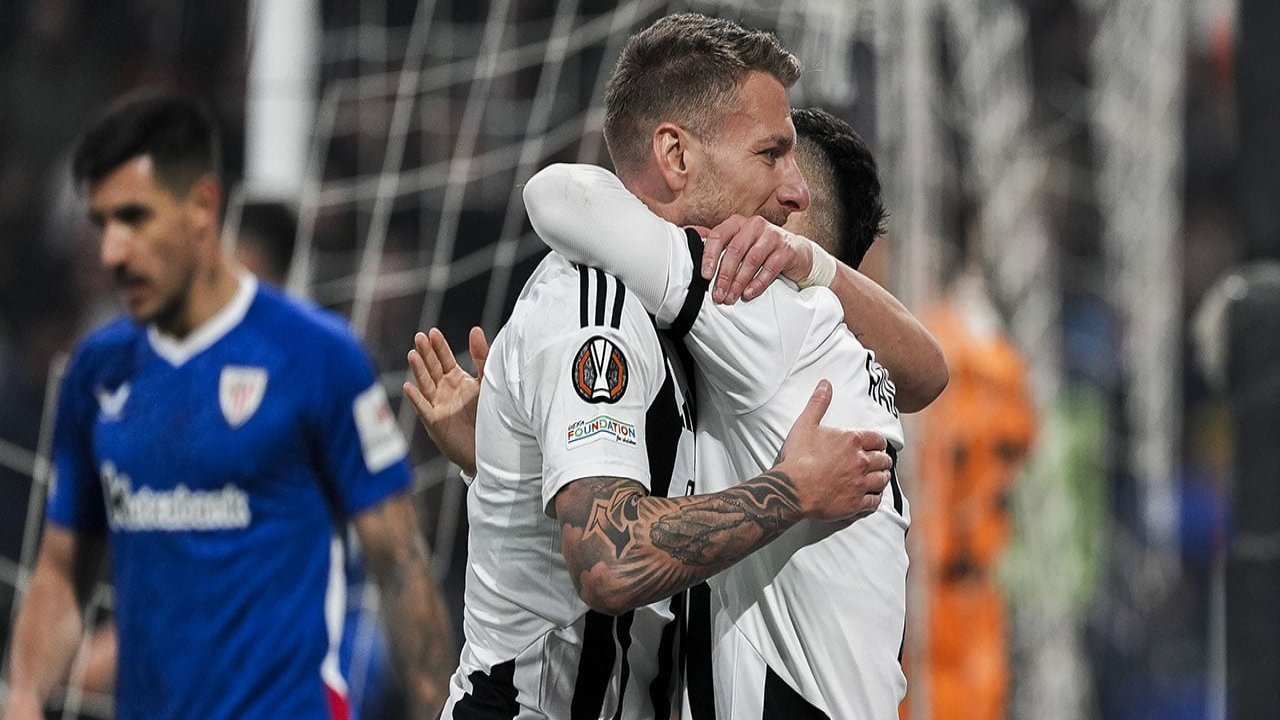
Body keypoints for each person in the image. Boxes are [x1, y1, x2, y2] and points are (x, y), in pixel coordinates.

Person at [404, 14, 898, 720]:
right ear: (676, 156)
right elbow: (608, 563)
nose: (794, 191)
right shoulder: (593, 309)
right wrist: (791, 490)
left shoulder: (693, 321)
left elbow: (923, 373)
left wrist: (506, 464)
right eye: (769, 154)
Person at [1, 90, 453, 720]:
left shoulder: (319, 357)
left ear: (202, 207)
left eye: (134, 219)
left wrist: (438, 707)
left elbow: (399, 562)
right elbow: (60, 568)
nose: (112, 252)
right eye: (102, 225)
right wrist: (23, 695)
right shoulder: (96, 371)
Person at [519, 98, 946, 717]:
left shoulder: (766, 317)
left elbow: (559, 197)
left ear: (789, 214)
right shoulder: (836, 349)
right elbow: (930, 373)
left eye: (767, 160)